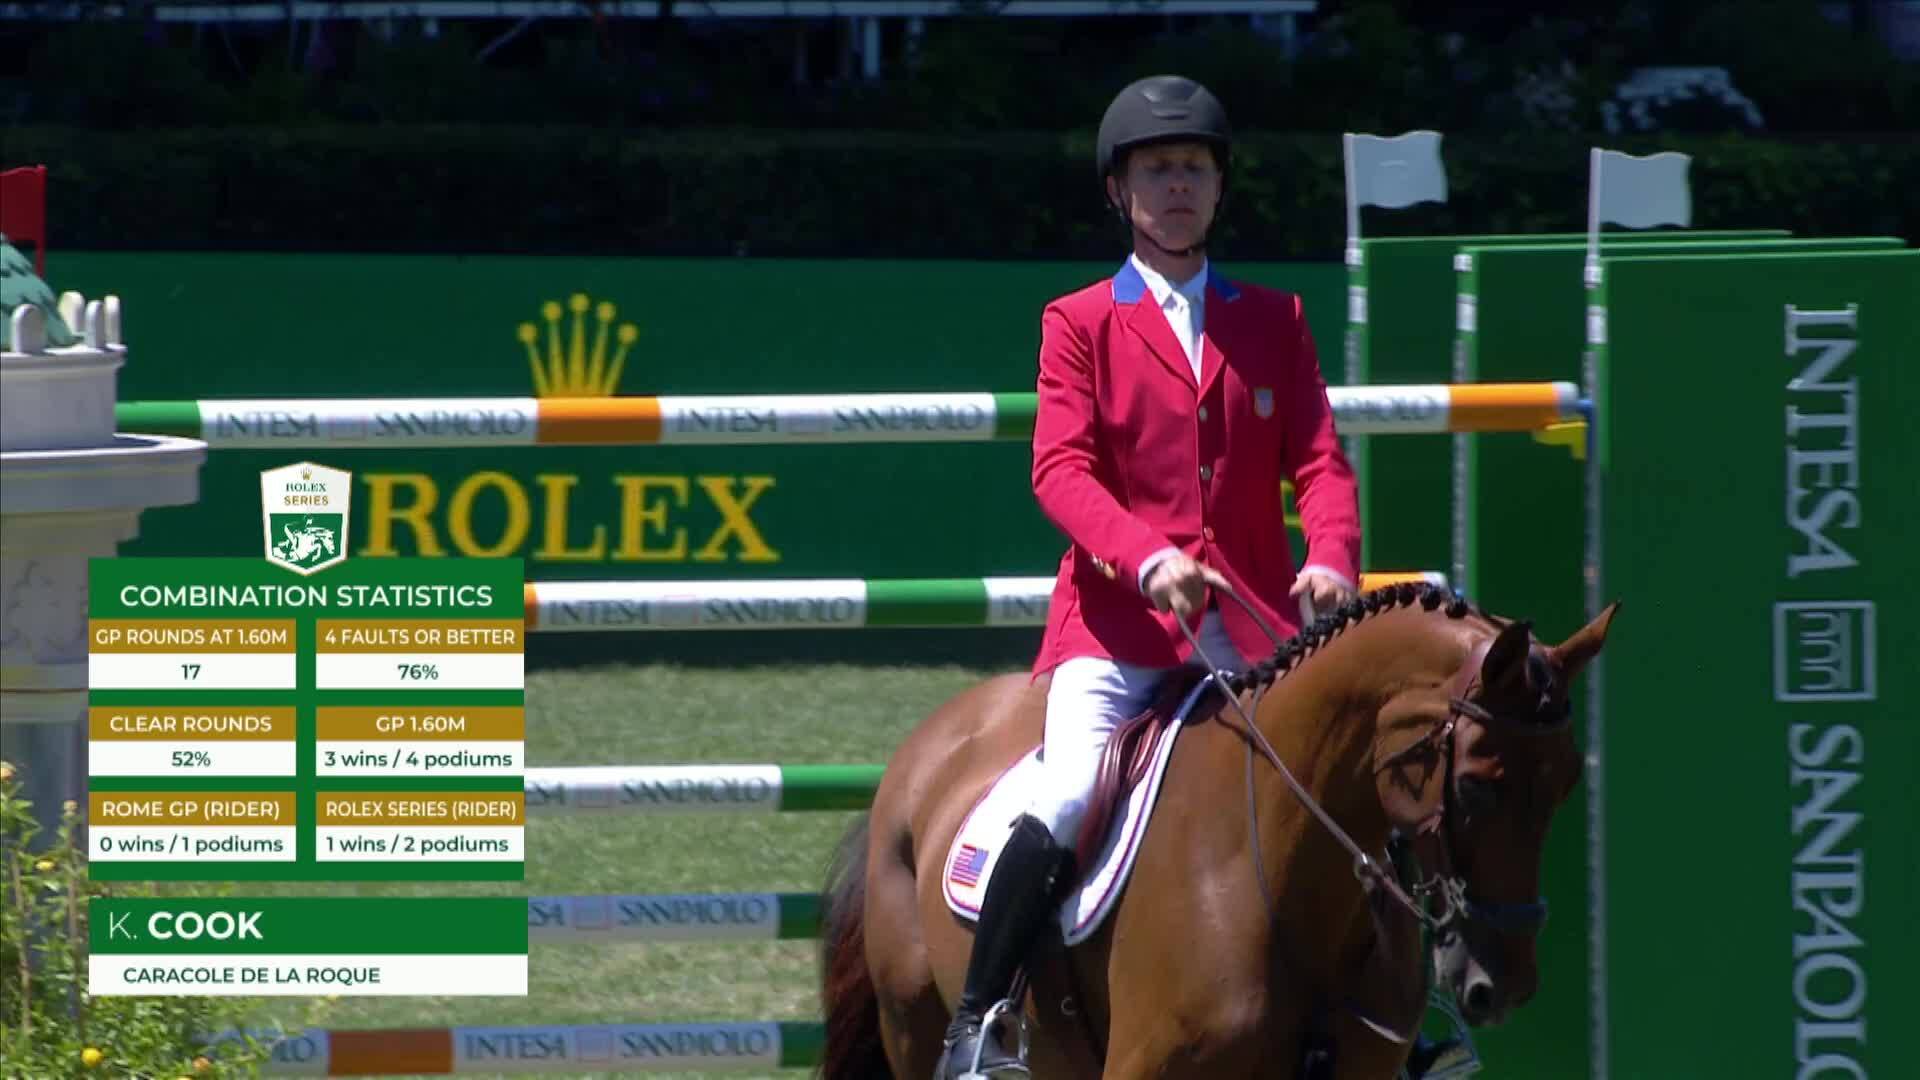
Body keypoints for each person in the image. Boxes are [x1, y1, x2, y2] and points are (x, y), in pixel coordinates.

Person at [934, 75, 1464, 1080]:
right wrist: (1145, 558)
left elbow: (1318, 459)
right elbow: (1062, 468)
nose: (1176, 187)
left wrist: (1331, 557)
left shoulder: (1276, 318)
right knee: (1064, 797)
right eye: (1155, 171)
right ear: (1121, 192)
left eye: (1193, 169)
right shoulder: (1078, 322)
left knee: (1358, 797)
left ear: (1219, 190)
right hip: (1119, 638)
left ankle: (1406, 1028)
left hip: (1258, 637)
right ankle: (980, 1020)